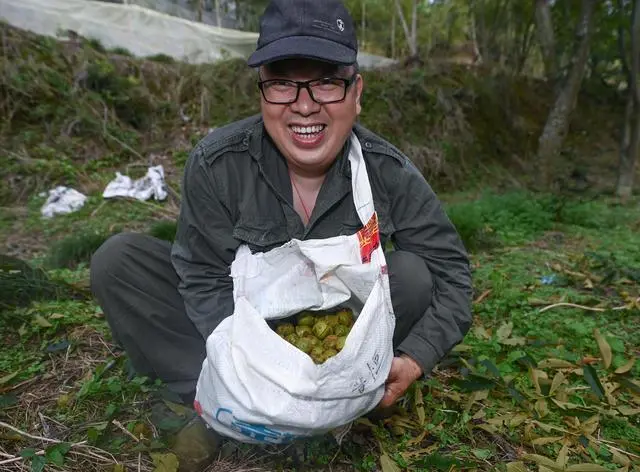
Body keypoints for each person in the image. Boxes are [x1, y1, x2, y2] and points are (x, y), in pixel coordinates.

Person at [90, 0, 472, 464]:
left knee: (412, 275)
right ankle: (211, 405)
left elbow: (452, 274)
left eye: (327, 82)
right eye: (282, 84)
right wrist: (249, 365)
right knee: (120, 261)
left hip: (340, 335)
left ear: (356, 92)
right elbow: (202, 274)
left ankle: (352, 400)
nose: (305, 106)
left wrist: (414, 358)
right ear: (261, 92)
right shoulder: (217, 163)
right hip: (243, 327)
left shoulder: (387, 172)